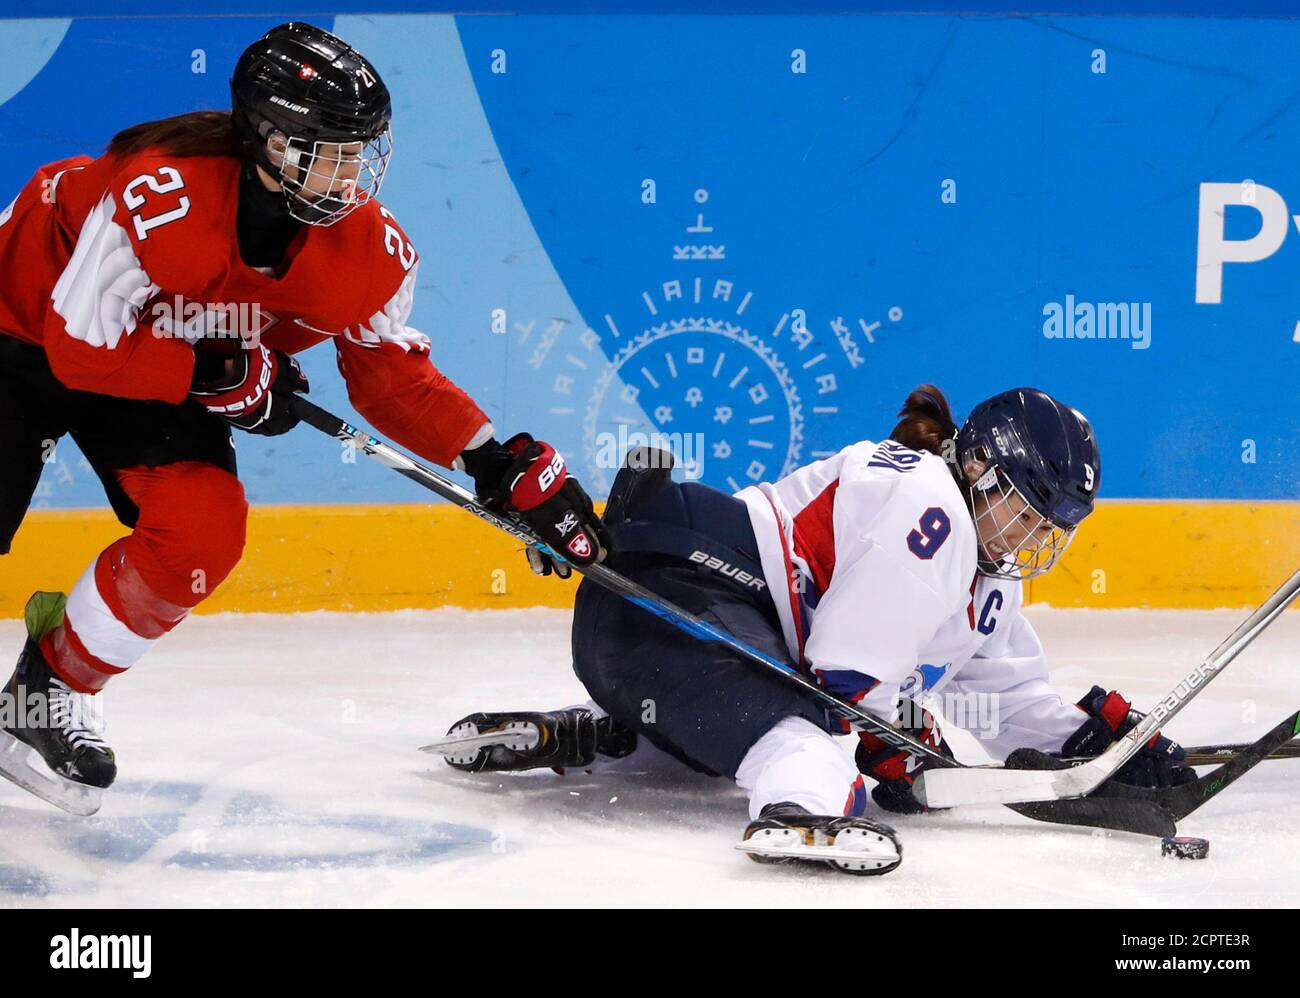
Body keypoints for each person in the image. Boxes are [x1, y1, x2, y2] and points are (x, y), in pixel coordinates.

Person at [0, 22, 608, 815]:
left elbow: (390, 378)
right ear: (264, 140)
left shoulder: (370, 253)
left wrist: (496, 459)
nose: (348, 174)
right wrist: (218, 371)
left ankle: (47, 685)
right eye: (327, 148)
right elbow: (79, 350)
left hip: (150, 362)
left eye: (359, 152)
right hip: (22, 328)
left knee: (202, 531)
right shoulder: (158, 194)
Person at [433, 384, 1196, 876]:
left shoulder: (979, 563)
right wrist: (886, 732)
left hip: (665, 652)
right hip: (666, 604)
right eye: (1025, 513)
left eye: (1050, 527)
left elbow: (999, 692)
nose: (1033, 539)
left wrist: (1090, 743)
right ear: (983, 472)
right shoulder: (934, 511)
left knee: (754, 724)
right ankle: (798, 813)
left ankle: (613, 739)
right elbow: (844, 680)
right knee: (807, 736)